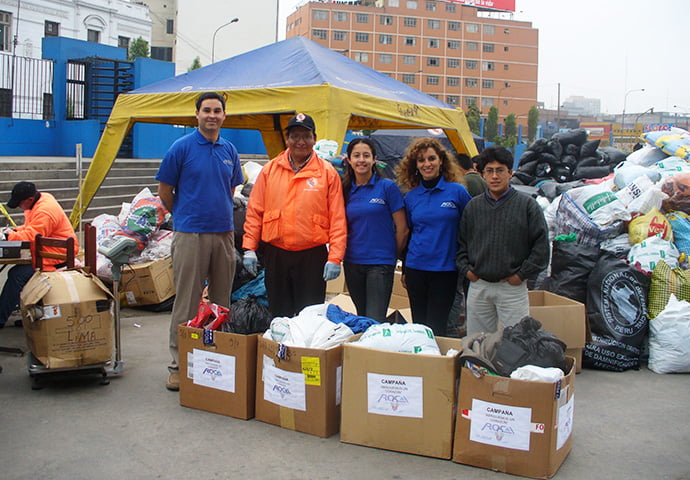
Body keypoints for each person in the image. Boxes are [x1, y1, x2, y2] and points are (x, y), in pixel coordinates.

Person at [156, 91, 244, 391]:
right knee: (187, 302)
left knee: (221, 302)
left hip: (223, 234)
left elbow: (230, 189)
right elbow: (165, 190)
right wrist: (182, 215)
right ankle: (179, 365)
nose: (212, 115)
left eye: (217, 111)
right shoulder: (181, 148)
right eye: (206, 110)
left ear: (224, 115)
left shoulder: (230, 150)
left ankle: (216, 362)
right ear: (197, 114)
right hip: (190, 233)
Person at [242, 113, 347, 318]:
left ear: (314, 139)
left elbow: (338, 219)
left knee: (308, 316)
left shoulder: (327, 173)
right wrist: (249, 249)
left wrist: (335, 257)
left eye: (306, 136)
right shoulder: (270, 170)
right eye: (295, 136)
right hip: (276, 254)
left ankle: (305, 351)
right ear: (287, 139)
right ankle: (280, 350)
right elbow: (255, 211)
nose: (301, 142)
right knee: (279, 313)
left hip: (312, 256)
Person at [456, 145, 549, 335]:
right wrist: (467, 271)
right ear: (482, 174)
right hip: (479, 286)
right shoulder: (473, 207)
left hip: (512, 289)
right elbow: (461, 244)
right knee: (477, 344)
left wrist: (521, 275)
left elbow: (541, 248)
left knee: (518, 342)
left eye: (500, 171)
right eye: (489, 171)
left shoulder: (527, 206)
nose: (495, 176)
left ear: (510, 173)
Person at [396, 137, 471, 336]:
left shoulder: (457, 192)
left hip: (445, 270)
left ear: (441, 161)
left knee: (437, 328)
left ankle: (437, 365)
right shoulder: (411, 197)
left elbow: (470, 228)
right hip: (416, 270)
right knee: (419, 328)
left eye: (431, 158)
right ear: (415, 165)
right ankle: (422, 364)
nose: (427, 164)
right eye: (421, 160)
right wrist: (404, 269)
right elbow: (409, 234)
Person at [341, 138, 408, 322]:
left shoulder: (387, 187)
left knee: (374, 319)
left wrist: (391, 255)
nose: (361, 160)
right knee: (362, 318)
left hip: (380, 264)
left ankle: (373, 350)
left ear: (374, 160)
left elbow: (402, 228)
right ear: (348, 160)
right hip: (353, 262)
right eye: (356, 155)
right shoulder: (345, 189)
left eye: (366, 155)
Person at [0, 181, 79, 328]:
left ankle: (1, 318)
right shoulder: (41, 199)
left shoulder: (45, 210)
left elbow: (32, 235)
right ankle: (25, 313)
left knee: (16, 275)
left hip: (56, 255)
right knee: (17, 273)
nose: (18, 206)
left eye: (19, 203)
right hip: (47, 250)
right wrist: (14, 231)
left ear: (29, 200)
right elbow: (31, 227)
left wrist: (9, 237)